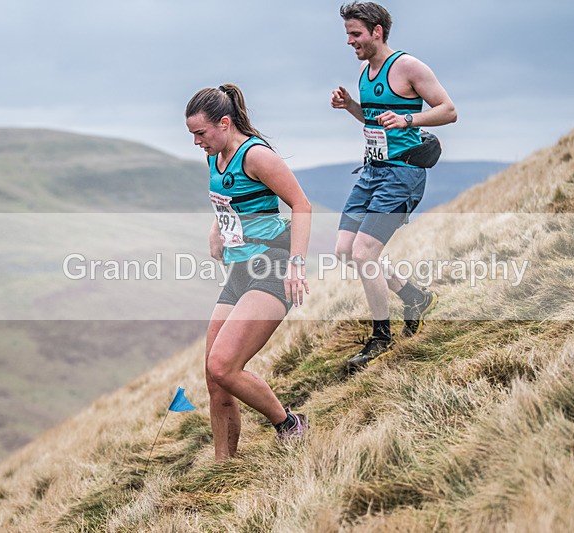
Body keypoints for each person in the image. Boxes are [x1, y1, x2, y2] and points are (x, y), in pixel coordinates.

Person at [185, 83, 312, 461]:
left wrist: (297, 264)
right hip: (240, 270)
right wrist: (216, 231)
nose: (196, 142)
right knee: (215, 377)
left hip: (272, 265)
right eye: (192, 134)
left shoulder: (256, 156)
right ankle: (224, 465)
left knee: (224, 365)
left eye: (200, 133)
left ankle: (289, 424)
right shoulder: (215, 155)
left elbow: (301, 205)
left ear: (224, 123)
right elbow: (227, 200)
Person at [331, 2, 457, 370]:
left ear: (377, 31)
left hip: (402, 174)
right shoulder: (364, 71)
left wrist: (408, 119)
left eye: (355, 34)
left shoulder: (409, 67)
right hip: (371, 173)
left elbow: (449, 110)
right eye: (348, 34)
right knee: (345, 250)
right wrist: (351, 106)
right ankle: (416, 298)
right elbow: (373, 121)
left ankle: (381, 339)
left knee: (363, 254)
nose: (350, 41)